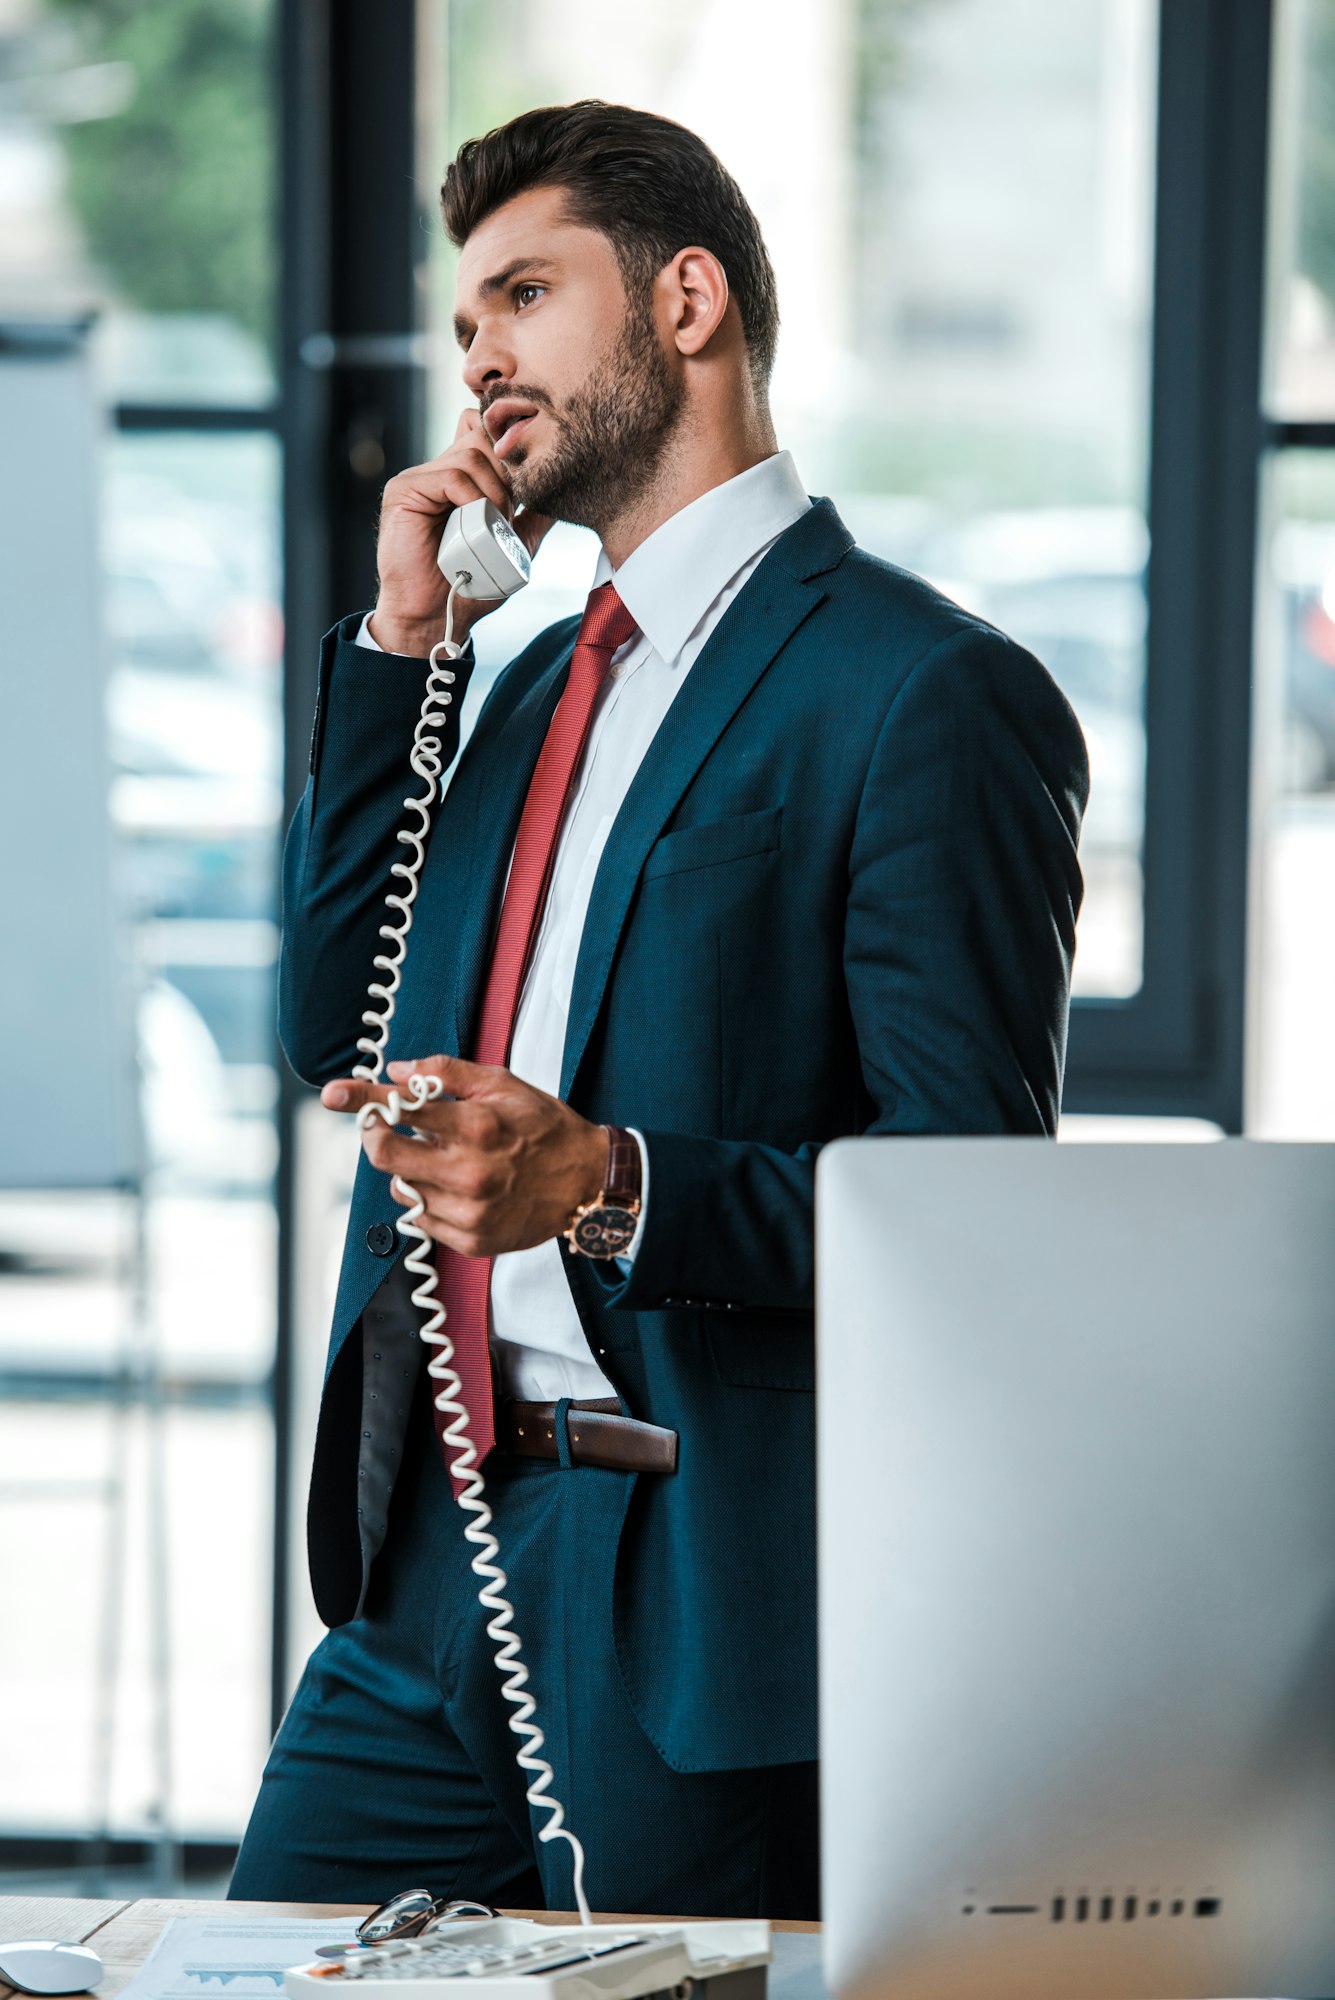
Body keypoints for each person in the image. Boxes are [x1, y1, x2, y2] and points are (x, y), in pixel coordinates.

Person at [230, 99, 1088, 1920]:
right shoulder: (526, 682)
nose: (482, 366)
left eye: (525, 297)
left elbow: (970, 1204)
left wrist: (613, 1186)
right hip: (424, 1568)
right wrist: (403, 656)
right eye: (466, 327)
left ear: (686, 299)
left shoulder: (922, 689)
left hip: (695, 1587)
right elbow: (333, 1027)